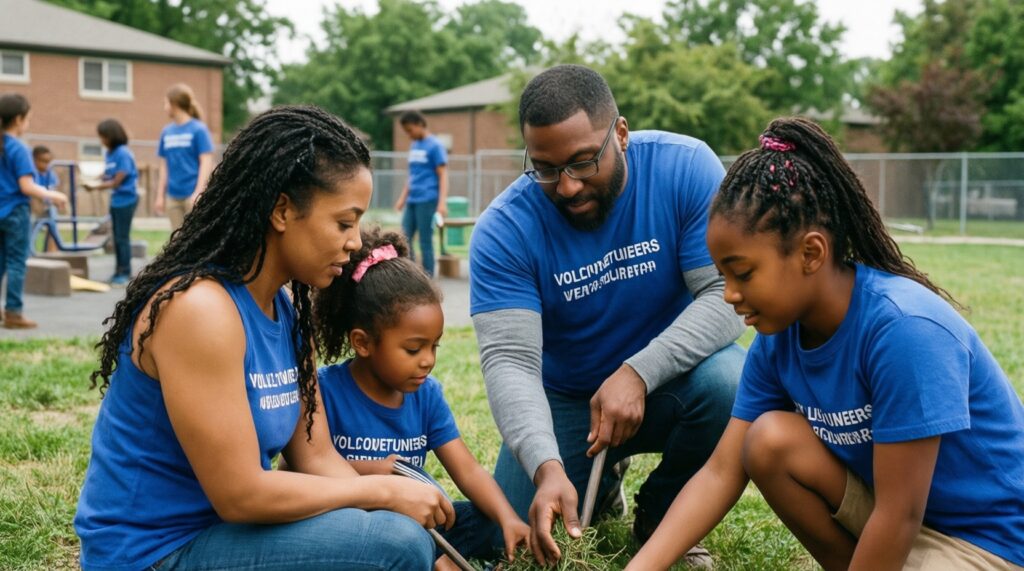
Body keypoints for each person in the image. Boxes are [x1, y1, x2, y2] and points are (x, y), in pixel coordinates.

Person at [627, 117, 1024, 571]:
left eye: (744, 273)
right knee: (767, 441)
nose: (730, 294)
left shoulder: (903, 329)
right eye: (723, 275)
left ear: (811, 253)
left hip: (989, 543)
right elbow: (720, 472)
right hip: (897, 523)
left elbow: (900, 514)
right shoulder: (778, 339)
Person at [74, 105, 454, 571]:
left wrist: (393, 503)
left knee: (418, 526)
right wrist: (380, 492)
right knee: (396, 545)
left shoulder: (290, 313)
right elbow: (241, 494)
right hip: (155, 553)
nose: (356, 241)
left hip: (228, 534)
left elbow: (315, 457)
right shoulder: (200, 310)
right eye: (343, 222)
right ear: (282, 210)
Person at [469, 64, 746, 566]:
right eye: (546, 169)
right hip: (569, 401)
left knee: (730, 382)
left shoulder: (685, 167)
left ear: (621, 133)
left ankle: (661, 516)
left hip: (672, 384)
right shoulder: (502, 229)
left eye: (582, 162)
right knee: (508, 536)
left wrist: (639, 371)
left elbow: (724, 295)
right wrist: (544, 465)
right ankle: (599, 476)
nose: (568, 186)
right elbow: (511, 361)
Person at [310, 227, 531, 570]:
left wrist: (507, 518)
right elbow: (296, 470)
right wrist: (374, 473)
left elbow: (468, 470)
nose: (427, 360)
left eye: (434, 346)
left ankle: (439, 558)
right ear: (363, 342)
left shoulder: (426, 395)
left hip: (417, 523)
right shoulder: (327, 392)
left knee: (486, 520)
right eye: (413, 349)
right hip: (350, 532)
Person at [0, 93, 68, 329]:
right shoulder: (19, 148)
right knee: (17, 262)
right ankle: (13, 313)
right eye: (28, 118)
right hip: (15, 212)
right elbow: (26, 186)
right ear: (19, 119)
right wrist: (54, 195)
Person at [393, 110, 448, 277]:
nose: (409, 135)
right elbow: (412, 175)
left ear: (419, 124)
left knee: (425, 242)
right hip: (412, 199)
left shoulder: (435, 146)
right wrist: (403, 198)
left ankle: (428, 279)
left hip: (428, 199)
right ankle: (410, 277)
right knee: (405, 239)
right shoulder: (415, 145)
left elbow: (443, 175)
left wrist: (442, 203)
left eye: (410, 130)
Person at [154, 83, 215, 231]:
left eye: (166, 103)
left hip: (193, 195)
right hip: (173, 196)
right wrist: (160, 196)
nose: (164, 108)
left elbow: (206, 162)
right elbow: (164, 165)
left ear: (174, 103)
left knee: (195, 239)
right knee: (176, 242)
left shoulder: (199, 129)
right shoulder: (166, 132)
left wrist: (199, 192)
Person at [84, 119, 138, 285]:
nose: (102, 141)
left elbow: (117, 181)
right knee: (116, 237)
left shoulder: (123, 153)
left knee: (122, 237)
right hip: (116, 200)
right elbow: (107, 174)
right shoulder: (110, 153)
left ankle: (125, 271)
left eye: (103, 137)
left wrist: (96, 187)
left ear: (112, 136)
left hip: (126, 199)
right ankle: (118, 271)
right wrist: (92, 178)